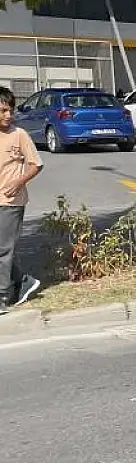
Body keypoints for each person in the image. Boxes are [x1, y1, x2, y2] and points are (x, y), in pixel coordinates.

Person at [0, 87, 43, 315]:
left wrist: (18, 182)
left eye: (10, 110)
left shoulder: (20, 135)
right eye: (3, 111)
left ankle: (2, 297)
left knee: (3, 250)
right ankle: (23, 281)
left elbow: (36, 165)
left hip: (11, 201)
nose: (8, 115)